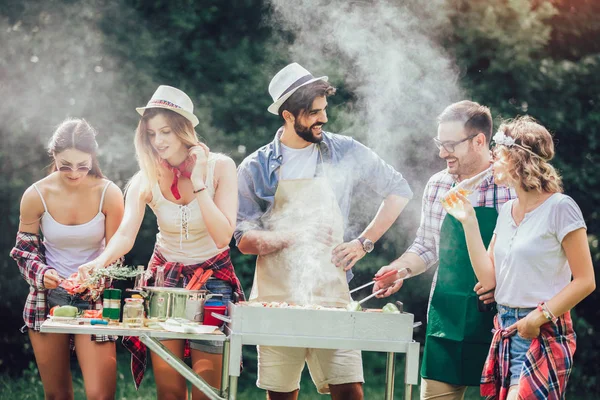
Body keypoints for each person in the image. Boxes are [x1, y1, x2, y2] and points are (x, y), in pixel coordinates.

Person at [235, 62, 413, 400]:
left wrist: (364, 242)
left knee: (349, 391)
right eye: (314, 112)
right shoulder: (255, 167)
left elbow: (399, 189)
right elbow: (243, 240)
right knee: (282, 394)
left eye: (324, 109)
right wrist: (294, 235)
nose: (324, 118)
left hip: (332, 295)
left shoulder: (343, 150)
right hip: (276, 299)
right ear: (289, 115)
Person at [78, 85, 244, 400]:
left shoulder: (220, 167)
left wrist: (197, 183)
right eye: (152, 134)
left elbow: (223, 237)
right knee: (169, 390)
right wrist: (98, 263)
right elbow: (125, 235)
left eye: (166, 131)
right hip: (165, 284)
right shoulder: (145, 178)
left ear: (185, 130)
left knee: (208, 390)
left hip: (214, 283)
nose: (159, 141)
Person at [373, 100, 516, 400]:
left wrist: (500, 284)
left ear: (479, 141)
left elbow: (526, 253)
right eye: (440, 143)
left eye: (450, 144)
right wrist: (400, 269)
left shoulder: (511, 186)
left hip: (502, 320)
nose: (441, 153)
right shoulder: (438, 185)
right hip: (447, 320)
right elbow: (426, 246)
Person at [445, 116, 595, 400]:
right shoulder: (507, 210)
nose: (491, 159)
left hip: (542, 332)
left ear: (516, 158)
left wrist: (538, 318)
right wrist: (468, 222)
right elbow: (489, 280)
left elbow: (586, 281)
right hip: (505, 329)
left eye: (497, 153)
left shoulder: (561, 208)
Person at [10, 118, 125, 399]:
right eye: (65, 166)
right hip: (47, 298)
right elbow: (24, 251)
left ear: (93, 157)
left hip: (94, 300)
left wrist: (97, 279)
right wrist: (42, 273)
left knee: (101, 395)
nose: (74, 173)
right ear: (54, 156)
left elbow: (117, 254)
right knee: (57, 396)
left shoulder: (109, 193)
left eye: (82, 165)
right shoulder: (36, 195)